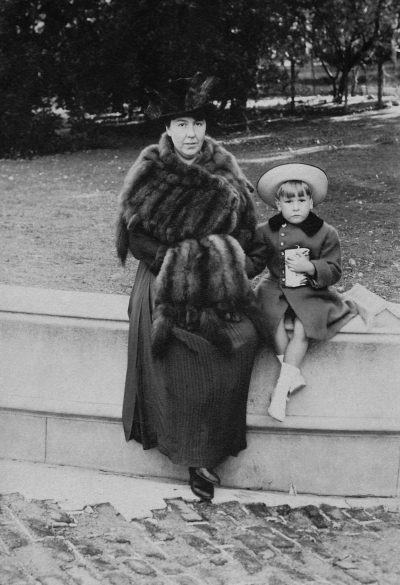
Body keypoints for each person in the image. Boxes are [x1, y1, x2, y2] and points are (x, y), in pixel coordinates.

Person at [115, 73, 268, 501]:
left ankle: (212, 444)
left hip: (218, 282)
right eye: (181, 124)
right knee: (184, 349)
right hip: (165, 282)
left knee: (242, 338)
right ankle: (192, 455)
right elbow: (138, 237)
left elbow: (252, 240)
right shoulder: (151, 169)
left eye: (198, 124)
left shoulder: (225, 170)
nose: (191, 133)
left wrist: (228, 266)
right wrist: (185, 266)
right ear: (167, 129)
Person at [247, 163, 357, 422]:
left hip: (311, 291)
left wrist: (311, 267)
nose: (295, 207)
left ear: (311, 202)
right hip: (275, 286)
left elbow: (334, 269)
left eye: (301, 200)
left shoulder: (325, 232)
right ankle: (293, 374)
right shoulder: (266, 230)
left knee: (302, 327)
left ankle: (282, 388)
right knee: (268, 317)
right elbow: (256, 261)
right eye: (289, 202)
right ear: (277, 204)